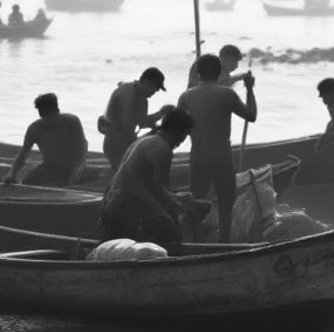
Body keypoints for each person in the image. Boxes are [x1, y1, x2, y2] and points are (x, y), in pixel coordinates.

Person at [176, 54, 257, 244]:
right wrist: (250, 89)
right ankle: (224, 244)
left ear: (198, 72)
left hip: (198, 156)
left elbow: (176, 127)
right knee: (225, 205)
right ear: (219, 72)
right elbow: (251, 115)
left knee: (195, 203)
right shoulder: (227, 94)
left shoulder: (186, 96)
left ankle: (193, 243)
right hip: (222, 155)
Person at [99, 108, 199, 248]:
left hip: (109, 203)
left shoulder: (144, 140)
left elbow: (151, 185)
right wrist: (177, 207)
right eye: (183, 137)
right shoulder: (162, 149)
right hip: (124, 204)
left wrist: (175, 201)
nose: (181, 142)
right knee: (169, 225)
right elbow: (158, 188)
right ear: (176, 131)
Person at [1, 93, 88, 188]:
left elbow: (83, 144)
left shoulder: (72, 121)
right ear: (40, 115)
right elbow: (23, 154)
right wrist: (12, 173)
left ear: (58, 111)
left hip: (72, 167)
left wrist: (79, 167)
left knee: (85, 181)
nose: (51, 122)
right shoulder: (34, 129)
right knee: (27, 183)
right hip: (49, 167)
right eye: (46, 118)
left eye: (53, 117)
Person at [98, 67, 174, 172]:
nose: (154, 93)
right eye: (154, 89)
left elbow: (141, 122)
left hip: (125, 139)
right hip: (115, 141)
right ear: (147, 82)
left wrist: (161, 114)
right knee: (123, 174)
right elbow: (128, 124)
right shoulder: (127, 94)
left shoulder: (142, 97)